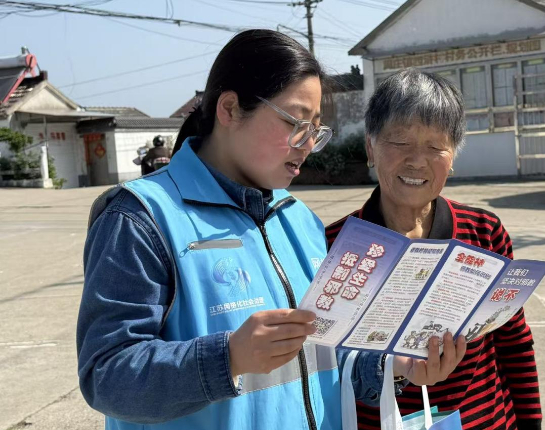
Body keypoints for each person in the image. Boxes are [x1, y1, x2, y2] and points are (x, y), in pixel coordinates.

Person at [77, 30, 464, 430]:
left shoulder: (299, 219)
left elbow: (325, 357)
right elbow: (106, 376)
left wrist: (394, 365)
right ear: (230, 109)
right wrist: (229, 358)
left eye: (316, 130)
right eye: (296, 123)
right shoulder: (141, 218)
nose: (307, 144)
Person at [326, 69, 542, 430]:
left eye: (435, 146)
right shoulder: (333, 246)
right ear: (370, 148)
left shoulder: (485, 233)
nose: (417, 160)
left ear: (453, 155)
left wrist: (531, 424)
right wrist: (393, 370)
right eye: (400, 142)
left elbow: (514, 342)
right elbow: (321, 365)